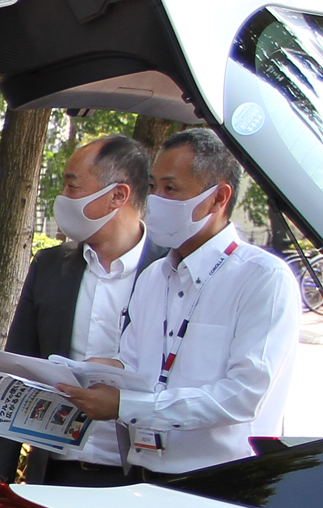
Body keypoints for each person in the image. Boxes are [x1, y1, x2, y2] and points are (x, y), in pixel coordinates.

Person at [57, 126, 300, 477]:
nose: (156, 201)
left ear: (218, 199)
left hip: (223, 481)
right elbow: (135, 366)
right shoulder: (154, 278)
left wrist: (128, 405)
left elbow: (242, 396)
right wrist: (101, 372)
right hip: (145, 472)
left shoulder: (262, 279)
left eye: (171, 188)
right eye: (154, 187)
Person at [0, 134, 165, 498]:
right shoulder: (50, 267)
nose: (62, 197)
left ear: (117, 195)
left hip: (143, 482)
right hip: (55, 475)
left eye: (72, 186)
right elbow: (18, 373)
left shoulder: (171, 273)